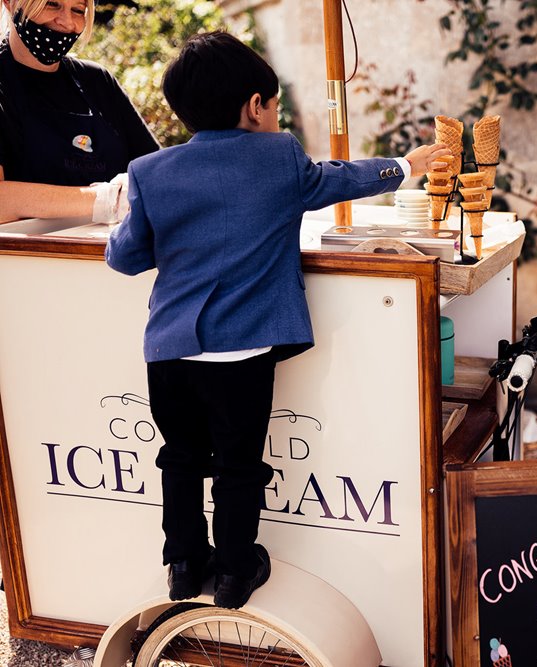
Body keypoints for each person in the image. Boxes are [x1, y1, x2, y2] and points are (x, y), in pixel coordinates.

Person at [105, 30, 450, 610]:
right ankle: (236, 573)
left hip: (167, 353)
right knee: (238, 464)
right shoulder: (278, 156)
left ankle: (184, 566)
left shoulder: (150, 171)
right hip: (239, 354)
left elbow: (126, 257)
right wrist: (403, 165)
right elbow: (336, 179)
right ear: (255, 106)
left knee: (180, 458)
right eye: (274, 105)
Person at [0, 0, 158, 223]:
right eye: (51, 4)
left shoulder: (98, 82)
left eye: (77, 10)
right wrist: (106, 199)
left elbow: (155, 173)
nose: (66, 22)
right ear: (9, 2)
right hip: (30, 255)